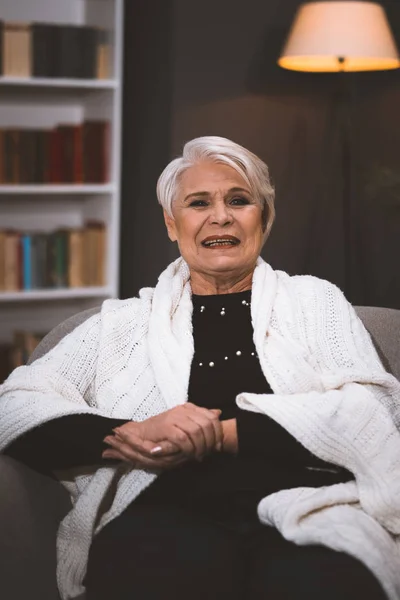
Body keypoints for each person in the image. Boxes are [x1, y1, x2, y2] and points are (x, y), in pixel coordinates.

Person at [0, 136, 399, 600]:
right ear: (173, 224)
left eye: (239, 200)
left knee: (321, 582)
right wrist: (133, 431)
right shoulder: (121, 324)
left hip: (310, 506)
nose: (221, 216)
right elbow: (14, 405)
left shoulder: (316, 302)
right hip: (163, 510)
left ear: (263, 218)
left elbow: (372, 408)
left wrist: (222, 435)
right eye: (198, 203)